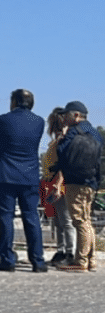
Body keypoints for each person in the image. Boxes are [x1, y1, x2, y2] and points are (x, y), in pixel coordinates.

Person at [0, 89, 48, 273]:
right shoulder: (39, 122)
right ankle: (38, 261)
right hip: (29, 176)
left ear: (14, 102)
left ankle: (7, 259)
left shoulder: (3, 120)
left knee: (6, 218)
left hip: (6, 175)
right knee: (31, 217)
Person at [54, 101, 103, 272]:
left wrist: (63, 137)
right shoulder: (95, 134)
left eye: (66, 115)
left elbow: (62, 154)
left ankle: (80, 261)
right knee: (87, 221)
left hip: (75, 182)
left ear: (75, 116)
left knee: (79, 221)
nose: (64, 118)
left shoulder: (73, 132)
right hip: (90, 182)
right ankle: (91, 259)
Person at [40, 107, 76, 266]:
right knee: (58, 222)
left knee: (66, 221)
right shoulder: (56, 141)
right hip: (50, 182)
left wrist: (58, 183)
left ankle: (71, 252)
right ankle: (61, 250)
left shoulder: (66, 140)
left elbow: (65, 165)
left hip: (60, 185)